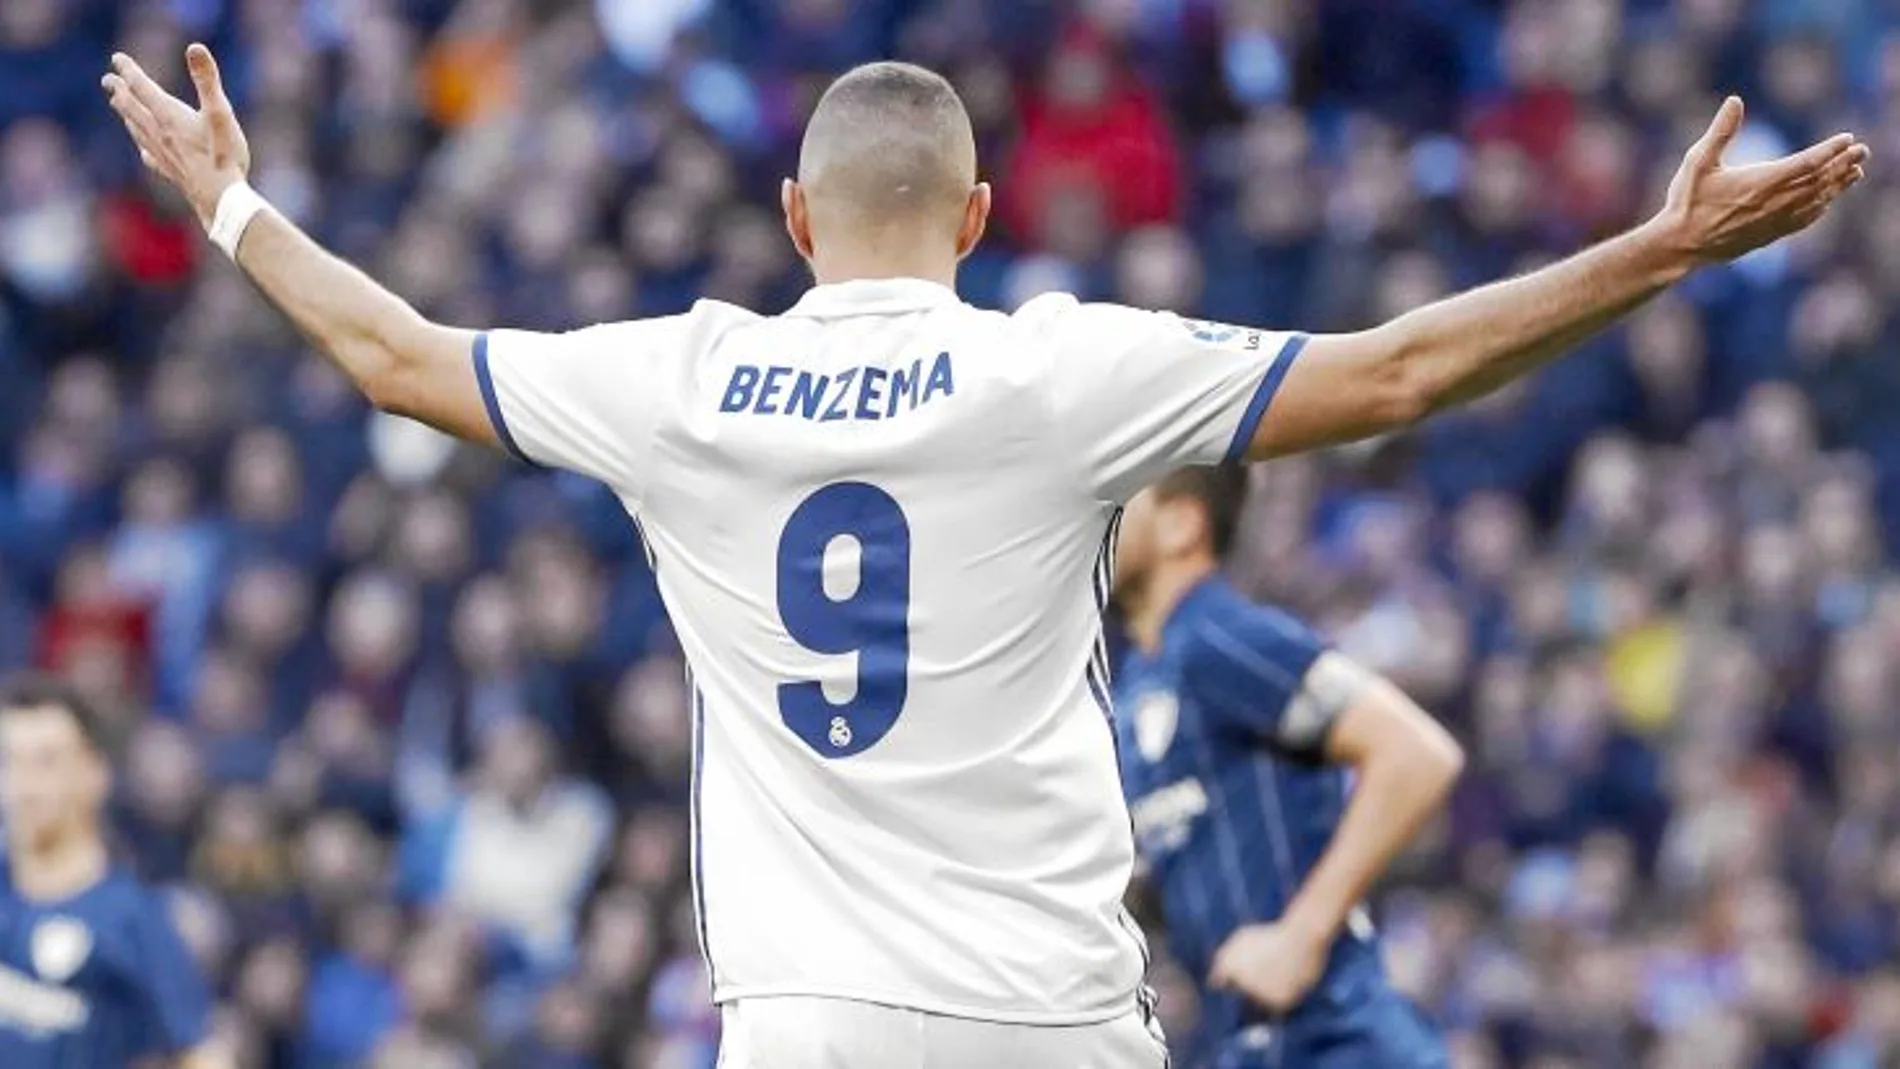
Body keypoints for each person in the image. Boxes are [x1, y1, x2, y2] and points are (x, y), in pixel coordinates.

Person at [98, 41, 1863, 1066]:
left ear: (796, 220)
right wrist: (1652, 253)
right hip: (1044, 1012)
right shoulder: (1057, 365)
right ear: (980, 219)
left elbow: (396, 353)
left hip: (807, 1018)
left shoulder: (681, 376)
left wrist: (236, 202)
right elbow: (1398, 366)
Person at [1111, 467, 1463, 1068]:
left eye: (1118, 498)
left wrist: (1301, 935)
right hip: (1255, 1044)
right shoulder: (1141, 684)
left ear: (1182, 524)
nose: (1094, 519)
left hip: (1338, 1038)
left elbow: (1416, 756)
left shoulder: (1225, 637)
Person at [0, 674, 225, 1068]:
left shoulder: (131, 920)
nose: (24, 785)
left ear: (94, 775)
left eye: (46, 762)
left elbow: (203, 1054)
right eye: (9, 761)